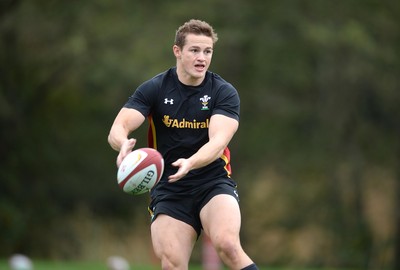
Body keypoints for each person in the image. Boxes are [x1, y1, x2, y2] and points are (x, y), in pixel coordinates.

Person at [108, 19, 258, 270]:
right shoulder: (155, 88)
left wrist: (191, 162)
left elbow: (218, 142)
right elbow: (118, 126)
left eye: (207, 51)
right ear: (177, 51)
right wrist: (123, 144)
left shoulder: (223, 92)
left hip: (212, 181)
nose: (202, 58)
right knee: (172, 264)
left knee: (228, 246)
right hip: (170, 188)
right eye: (195, 50)